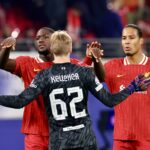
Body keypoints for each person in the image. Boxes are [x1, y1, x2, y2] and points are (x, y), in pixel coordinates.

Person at [0, 30, 149, 150]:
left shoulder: (43, 76)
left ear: (52, 47)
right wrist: (132, 87)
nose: (40, 40)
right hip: (85, 139)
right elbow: (109, 100)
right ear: (70, 48)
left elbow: (19, 101)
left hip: (59, 140)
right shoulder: (83, 71)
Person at [0, 27, 104, 150]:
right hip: (36, 134)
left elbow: (99, 77)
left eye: (45, 37)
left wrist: (96, 60)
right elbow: (2, 64)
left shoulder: (70, 64)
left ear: (56, 41)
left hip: (63, 133)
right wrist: (6, 49)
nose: (40, 40)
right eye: (37, 38)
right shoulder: (27, 63)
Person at [104, 24, 150, 150]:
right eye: (124, 38)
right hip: (121, 138)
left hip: (146, 138)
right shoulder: (112, 66)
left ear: (141, 41)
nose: (127, 42)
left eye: (131, 37)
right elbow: (92, 76)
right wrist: (93, 60)